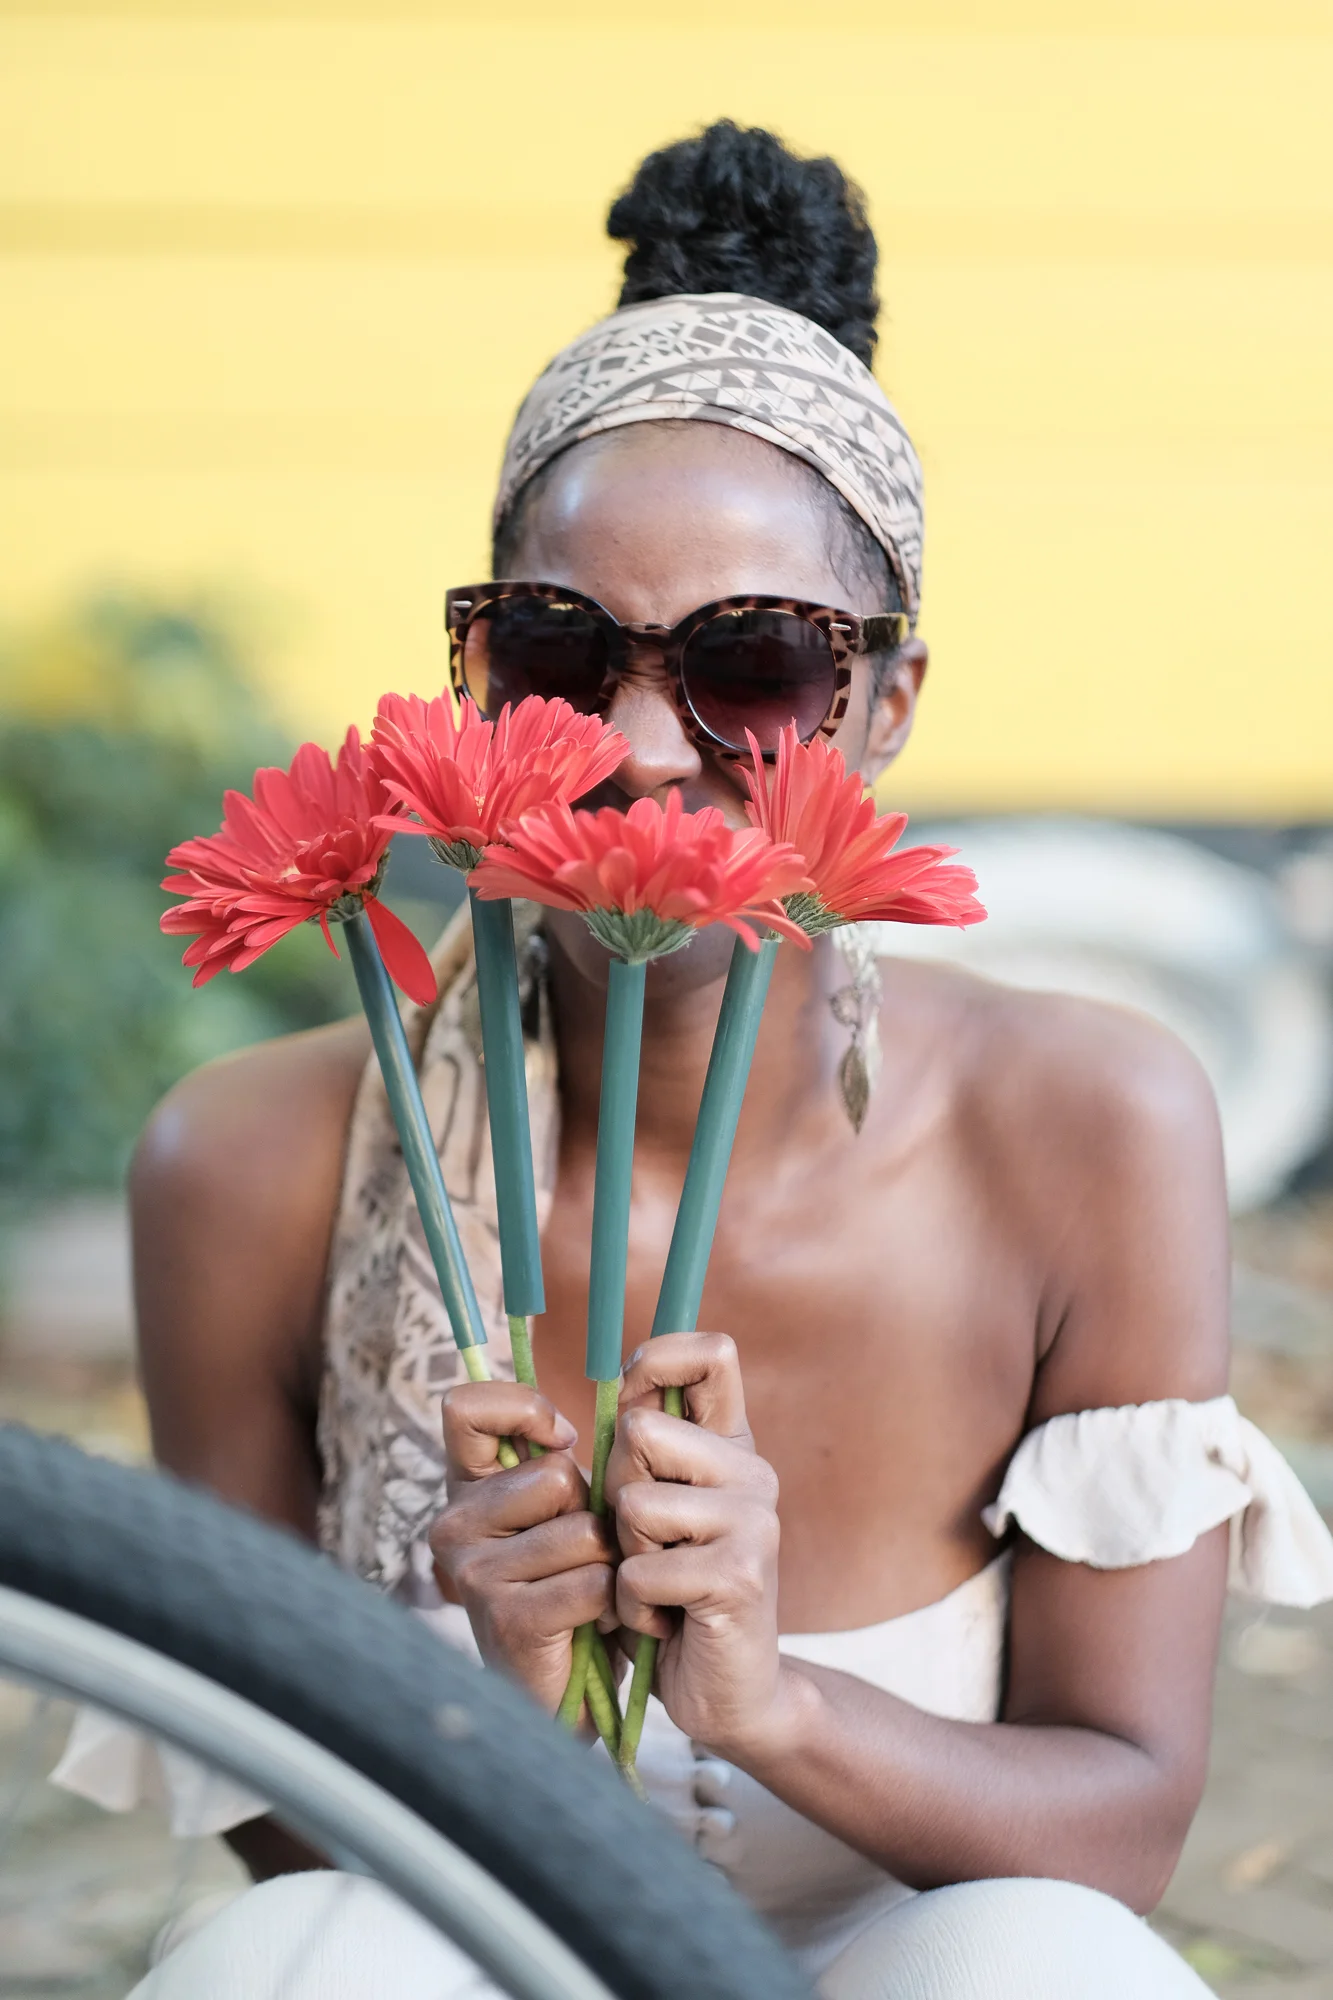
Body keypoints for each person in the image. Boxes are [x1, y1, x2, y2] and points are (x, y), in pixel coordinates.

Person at [59, 122, 1333, 1997]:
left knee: (1051, 1964)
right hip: (460, 1942)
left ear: (884, 705)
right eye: (560, 650)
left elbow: (1122, 1829)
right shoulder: (251, 1167)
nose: (646, 749)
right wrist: (484, 1715)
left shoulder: (1091, 1130)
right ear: (478, 687)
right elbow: (280, 1827)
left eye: (753, 666)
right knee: (296, 1957)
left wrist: (770, 1700)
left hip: (915, 1966)